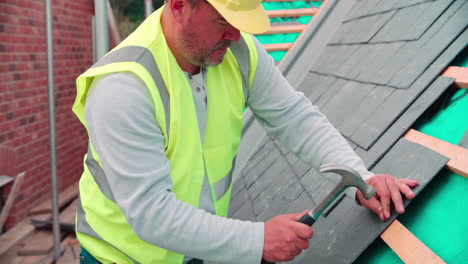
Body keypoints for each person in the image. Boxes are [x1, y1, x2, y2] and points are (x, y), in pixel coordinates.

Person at [72, 0, 419, 263]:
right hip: (121, 258)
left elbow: (292, 116)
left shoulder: (237, 51)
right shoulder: (122, 87)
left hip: (193, 249)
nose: (236, 35)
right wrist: (258, 240)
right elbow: (152, 214)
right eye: (224, 21)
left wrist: (361, 177)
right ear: (179, 6)